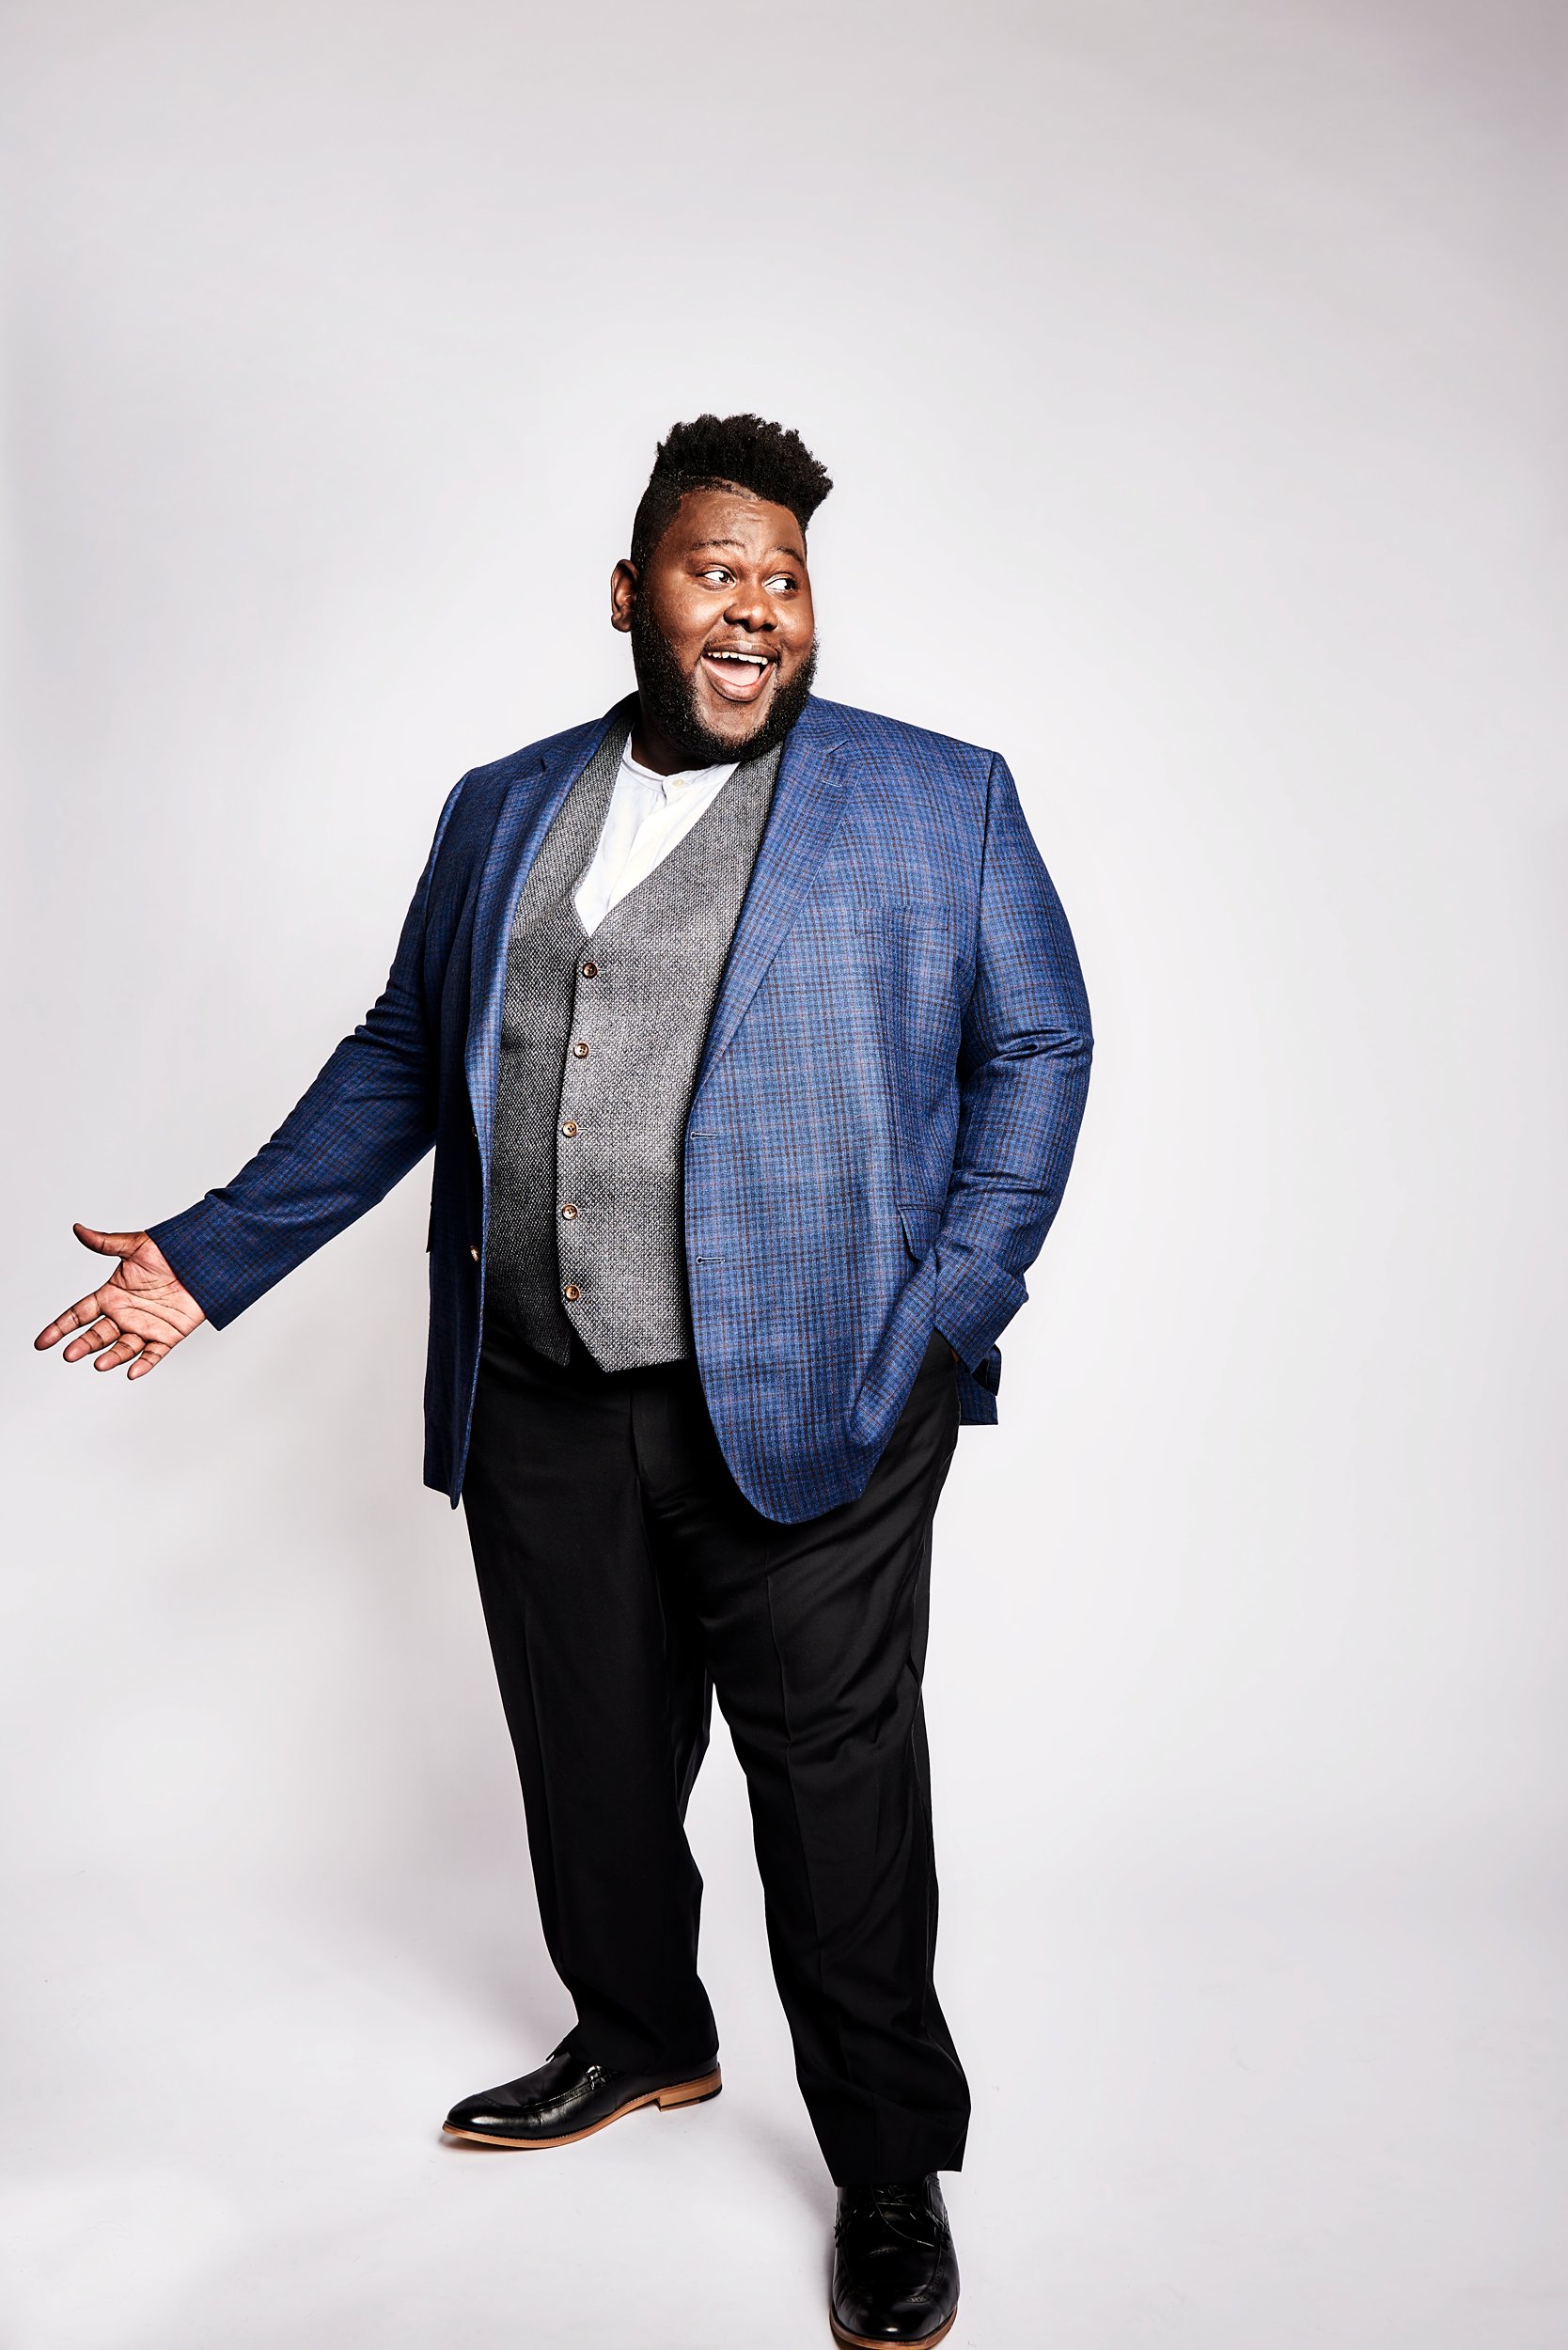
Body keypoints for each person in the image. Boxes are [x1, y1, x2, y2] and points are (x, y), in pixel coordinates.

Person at [35, 413, 1092, 2349]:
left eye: (785, 576)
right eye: (716, 568)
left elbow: (1038, 1043)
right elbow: (401, 1052)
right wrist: (214, 1254)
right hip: (538, 1382)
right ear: (631, 594)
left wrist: (948, 1308)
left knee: (835, 1791)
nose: (756, 605)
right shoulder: (504, 804)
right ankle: (640, 2031)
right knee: (588, 1753)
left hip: (828, 1392)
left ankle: (887, 2166)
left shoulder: (938, 798)